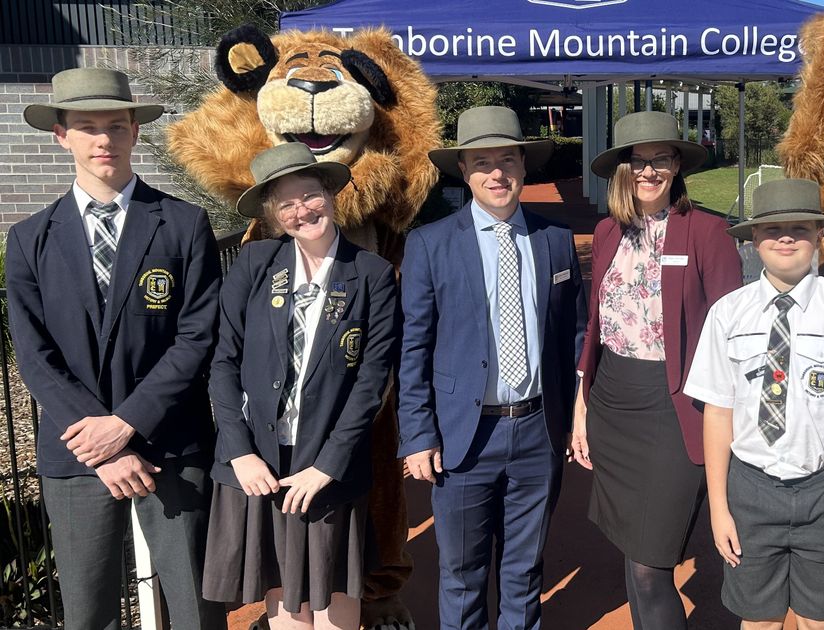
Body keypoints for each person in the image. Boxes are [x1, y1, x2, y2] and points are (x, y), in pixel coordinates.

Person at [6, 67, 223, 630]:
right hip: (77, 452)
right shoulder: (29, 239)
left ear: (135, 131)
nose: (103, 139)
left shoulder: (183, 224)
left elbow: (197, 336)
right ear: (61, 136)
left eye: (116, 126)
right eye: (87, 127)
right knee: (88, 611)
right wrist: (101, 443)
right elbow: (34, 355)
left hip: (171, 443)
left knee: (196, 607)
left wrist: (126, 424)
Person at [684, 179, 824, 630]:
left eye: (800, 229)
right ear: (754, 238)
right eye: (773, 229)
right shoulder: (728, 314)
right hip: (751, 488)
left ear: (819, 235)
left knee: (818, 620)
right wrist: (720, 508)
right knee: (759, 620)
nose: (786, 238)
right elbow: (718, 412)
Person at [397, 106, 586, 629]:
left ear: (524, 166)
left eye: (507, 160)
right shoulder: (429, 243)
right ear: (464, 171)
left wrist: (576, 415)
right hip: (464, 436)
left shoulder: (555, 239)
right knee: (462, 572)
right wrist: (417, 434)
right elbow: (413, 347)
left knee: (525, 570)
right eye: (482, 162)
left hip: (537, 431)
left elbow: (574, 334)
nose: (496, 173)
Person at [200, 143, 397, 628]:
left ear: (330, 194)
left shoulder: (371, 273)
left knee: (334, 600)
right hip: (260, 463)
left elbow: (372, 380)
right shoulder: (255, 264)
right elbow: (223, 363)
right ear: (272, 214)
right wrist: (240, 452)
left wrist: (328, 465)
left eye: (309, 195)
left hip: (328, 465)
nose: (301, 211)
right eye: (285, 203)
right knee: (285, 603)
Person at [570, 109, 742, 629]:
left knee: (651, 564)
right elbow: (596, 325)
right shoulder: (607, 231)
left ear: (676, 166)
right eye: (638, 161)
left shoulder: (707, 231)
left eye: (660, 159)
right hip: (611, 401)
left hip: (674, 407)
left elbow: (731, 333)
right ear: (622, 169)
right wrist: (581, 408)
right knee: (633, 549)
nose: (649, 171)